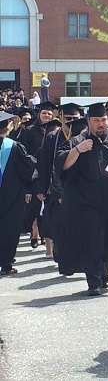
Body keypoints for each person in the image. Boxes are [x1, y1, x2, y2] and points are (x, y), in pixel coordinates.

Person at [54, 102, 108, 296]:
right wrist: (77, 150)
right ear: (88, 121)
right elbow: (62, 166)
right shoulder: (78, 141)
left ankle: (104, 273)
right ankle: (93, 281)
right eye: (96, 121)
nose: (101, 124)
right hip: (87, 203)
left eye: (104, 120)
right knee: (93, 239)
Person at [35, 103, 82, 260]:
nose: (71, 121)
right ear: (60, 117)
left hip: (80, 187)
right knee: (58, 222)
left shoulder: (84, 136)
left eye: (75, 118)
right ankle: (61, 253)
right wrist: (42, 188)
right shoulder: (52, 137)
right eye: (67, 118)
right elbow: (44, 163)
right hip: (56, 187)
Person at [0, 111, 37, 275]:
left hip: (11, 196)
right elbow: (29, 168)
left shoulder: (13, 147)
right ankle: (6, 264)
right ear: (8, 127)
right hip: (11, 197)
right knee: (9, 229)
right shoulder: (13, 147)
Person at [20, 101, 59, 249]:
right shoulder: (29, 131)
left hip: (49, 170)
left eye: (49, 113)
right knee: (36, 205)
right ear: (39, 114)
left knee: (47, 206)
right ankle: (35, 231)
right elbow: (25, 153)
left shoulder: (56, 131)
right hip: (34, 170)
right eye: (44, 113)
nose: (47, 115)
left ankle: (45, 235)